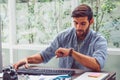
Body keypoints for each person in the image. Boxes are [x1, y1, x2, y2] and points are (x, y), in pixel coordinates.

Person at [13, 4, 107, 71]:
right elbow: (44, 55)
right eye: (75, 23)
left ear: (91, 21)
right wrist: (27, 59)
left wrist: (71, 53)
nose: (78, 27)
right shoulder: (63, 36)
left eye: (83, 24)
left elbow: (98, 65)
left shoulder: (99, 40)